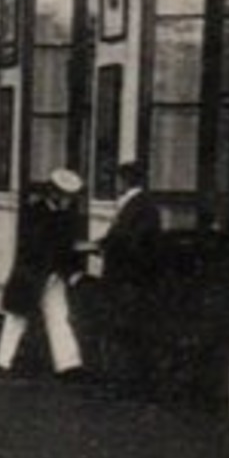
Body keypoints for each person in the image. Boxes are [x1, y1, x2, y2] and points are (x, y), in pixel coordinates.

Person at [0, 168, 88, 380]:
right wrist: (69, 260)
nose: (68, 201)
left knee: (59, 315)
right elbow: (41, 245)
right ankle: (4, 360)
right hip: (31, 272)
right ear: (53, 193)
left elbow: (63, 245)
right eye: (65, 197)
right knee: (17, 317)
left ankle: (68, 365)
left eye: (70, 197)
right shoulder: (34, 212)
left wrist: (70, 267)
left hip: (51, 274)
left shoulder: (63, 215)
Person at [91, 161, 164, 394]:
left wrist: (104, 246)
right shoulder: (138, 204)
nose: (117, 184)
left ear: (125, 180)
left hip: (128, 277)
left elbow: (132, 241)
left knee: (123, 327)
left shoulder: (140, 206)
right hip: (127, 276)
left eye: (119, 179)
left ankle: (123, 382)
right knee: (121, 326)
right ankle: (119, 379)